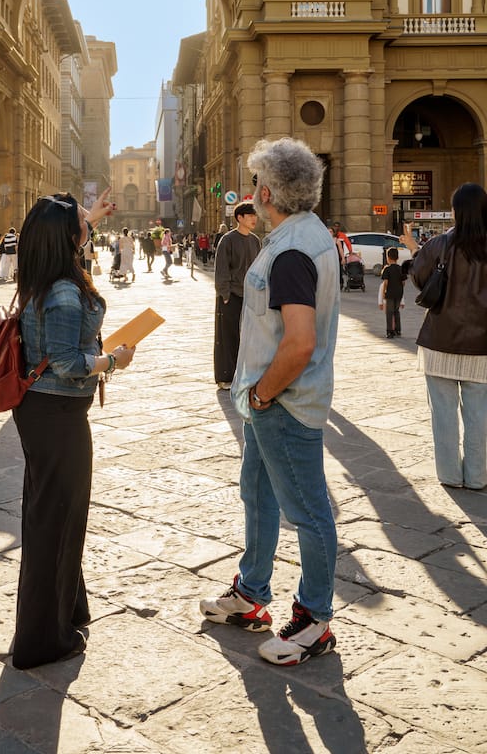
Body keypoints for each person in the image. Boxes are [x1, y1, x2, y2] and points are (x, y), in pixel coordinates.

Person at [200, 137, 340, 667]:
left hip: (283, 404)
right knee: (257, 494)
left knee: (308, 511)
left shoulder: (291, 252)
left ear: (269, 191)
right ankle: (252, 593)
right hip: (268, 404)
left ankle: (313, 621)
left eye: (259, 182)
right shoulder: (301, 236)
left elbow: (300, 341)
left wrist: (261, 393)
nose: (254, 192)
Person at [13, 190, 135, 670]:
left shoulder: (47, 272)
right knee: (56, 523)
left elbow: (71, 232)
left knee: (55, 517)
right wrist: (113, 360)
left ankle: (68, 609)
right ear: (67, 237)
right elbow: (65, 362)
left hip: (45, 413)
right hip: (57, 413)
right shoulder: (64, 291)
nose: (87, 227)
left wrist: (94, 217)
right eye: (80, 223)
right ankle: (43, 640)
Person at [401, 186, 487, 491]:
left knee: (443, 416)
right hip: (482, 347)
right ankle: (478, 476)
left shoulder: (441, 244)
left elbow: (420, 279)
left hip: (440, 341)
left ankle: (450, 475)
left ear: (455, 211)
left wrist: (413, 248)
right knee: (480, 416)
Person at [214, 200, 261, 390]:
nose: (254, 219)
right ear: (239, 218)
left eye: (255, 215)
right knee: (227, 336)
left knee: (251, 336)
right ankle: (225, 377)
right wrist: (224, 293)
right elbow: (222, 269)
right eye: (250, 215)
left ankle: (247, 374)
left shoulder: (255, 240)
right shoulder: (228, 240)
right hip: (231, 294)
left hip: (250, 296)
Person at [379, 246, 406, 338]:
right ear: (397, 257)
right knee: (396, 311)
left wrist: (383, 294)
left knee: (389, 312)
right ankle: (398, 330)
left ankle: (390, 331)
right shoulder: (401, 268)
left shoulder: (387, 269)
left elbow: (385, 283)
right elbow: (403, 282)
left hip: (389, 293)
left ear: (388, 257)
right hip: (399, 293)